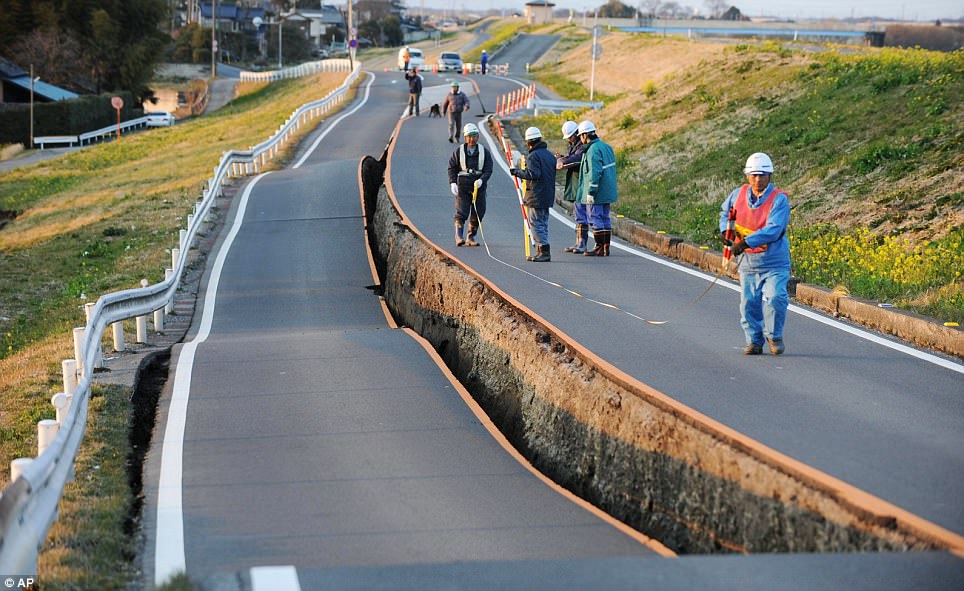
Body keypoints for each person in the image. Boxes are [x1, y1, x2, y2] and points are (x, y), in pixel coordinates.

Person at [719, 152, 791, 356]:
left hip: (774, 262)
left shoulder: (779, 200)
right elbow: (725, 213)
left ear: (770, 176)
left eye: (762, 175)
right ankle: (754, 341)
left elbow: (774, 229)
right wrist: (726, 231)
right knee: (749, 303)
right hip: (749, 263)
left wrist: (746, 242)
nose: (758, 179)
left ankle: (774, 336)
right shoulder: (737, 194)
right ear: (747, 176)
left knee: (776, 297)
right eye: (754, 175)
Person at [510, 127, 557, 262]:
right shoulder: (549, 155)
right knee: (543, 223)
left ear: (529, 142)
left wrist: (517, 172)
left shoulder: (533, 156)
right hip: (547, 194)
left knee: (536, 223)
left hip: (536, 195)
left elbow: (532, 174)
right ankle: (541, 250)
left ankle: (543, 251)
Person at [576, 120, 617, 257]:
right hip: (608, 189)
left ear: (585, 135)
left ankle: (598, 247)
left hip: (597, 191)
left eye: (581, 136)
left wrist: (591, 192)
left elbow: (594, 172)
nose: (580, 140)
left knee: (595, 217)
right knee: (605, 218)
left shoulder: (592, 150)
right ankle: (606, 247)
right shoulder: (606, 147)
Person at [447, 123, 492, 247]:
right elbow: (452, 168)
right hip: (463, 186)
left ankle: (471, 236)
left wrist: (482, 180)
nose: (472, 139)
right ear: (465, 137)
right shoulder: (458, 152)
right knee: (462, 212)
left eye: (474, 136)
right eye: (469, 136)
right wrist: (452, 183)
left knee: (478, 212)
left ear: (478, 136)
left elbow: (488, 169)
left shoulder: (484, 152)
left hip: (479, 188)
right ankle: (459, 236)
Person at [555, 120, 588, 253]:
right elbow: (572, 157)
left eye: (570, 136)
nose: (569, 139)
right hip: (576, 184)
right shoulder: (574, 144)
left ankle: (582, 243)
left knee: (581, 214)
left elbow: (576, 158)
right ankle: (578, 242)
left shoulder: (582, 146)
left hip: (581, 183)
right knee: (578, 213)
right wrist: (563, 157)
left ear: (576, 134)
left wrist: (563, 161)